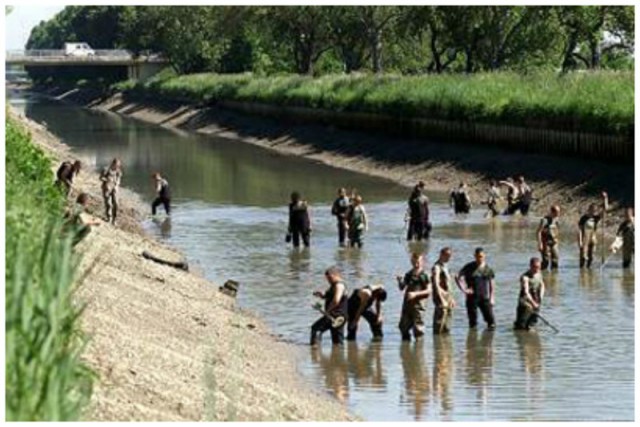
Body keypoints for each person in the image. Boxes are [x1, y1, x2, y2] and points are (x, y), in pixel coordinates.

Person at [456, 247, 496, 330]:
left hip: (484, 297)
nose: (479, 258)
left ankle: (488, 341)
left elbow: (491, 284)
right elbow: (457, 277)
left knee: (491, 322)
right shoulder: (469, 267)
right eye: (477, 256)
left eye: (481, 256)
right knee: (472, 323)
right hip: (472, 297)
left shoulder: (488, 269)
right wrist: (464, 289)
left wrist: (492, 298)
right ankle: (472, 341)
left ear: (484, 256)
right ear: (474, 256)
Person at [396, 252, 432, 341]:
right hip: (407, 306)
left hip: (418, 306)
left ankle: (418, 351)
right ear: (411, 261)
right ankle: (406, 351)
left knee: (418, 330)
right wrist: (400, 281)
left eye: (418, 262)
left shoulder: (424, 275)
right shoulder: (409, 274)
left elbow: (429, 291)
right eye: (414, 262)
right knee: (403, 328)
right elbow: (402, 287)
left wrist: (415, 294)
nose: (416, 264)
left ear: (422, 261)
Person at [310, 267, 348, 346]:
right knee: (337, 340)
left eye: (330, 278)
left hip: (336, 315)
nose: (329, 281)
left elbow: (336, 300)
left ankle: (314, 351)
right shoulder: (334, 285)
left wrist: (327, 311)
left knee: (316, 329)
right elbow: (331, 297)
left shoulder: (339, 285)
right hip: (337, 315)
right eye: (327, 279)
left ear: (336, 275)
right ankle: (337, 356)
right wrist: (322, 295)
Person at [577, 192, 609, 268]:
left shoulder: (596, 218)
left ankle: (588, 270)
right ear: (589, 209)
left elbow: (605, 209)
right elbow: (580, 230)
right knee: (583, 258)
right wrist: (580, 241)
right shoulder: (583, 218)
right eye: (592, 210)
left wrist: (605, 198)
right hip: (585, 239)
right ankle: (582, 274)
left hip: (593, 238)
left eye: (595, 210)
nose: (593, 212)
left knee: (591, 257)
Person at [513, 257, 546, 331]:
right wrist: (533, 303)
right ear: (530, 266)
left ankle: (531, 338)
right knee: (521, 324)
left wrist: (540, 297)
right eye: (535, 267)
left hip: (536, 298)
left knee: (533, 321)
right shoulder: (525, 277)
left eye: (538, 267)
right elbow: (526, 292)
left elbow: (542, 286)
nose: (537, 269)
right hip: (525, 301)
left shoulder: (539, 274)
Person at [432, 247, 456, 335]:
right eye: (447, 256)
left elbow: (449, 286)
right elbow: (436, 283)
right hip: (441, 299)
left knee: (447, 325)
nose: (449, 258)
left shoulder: (445, 266)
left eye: (450, 256)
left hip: (448, 298)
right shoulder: (437, 267)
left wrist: (451, 298)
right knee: (439, 323)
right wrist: (441, 299)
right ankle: (438, 346)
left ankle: (446, 347)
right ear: (441, 255)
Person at [537, 205, 561, 270]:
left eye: (559, 212)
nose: (558, 214)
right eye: (557, 212)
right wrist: (540, 244)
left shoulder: (556, 219)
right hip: (545, 242)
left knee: (555, 260)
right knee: (546, 261)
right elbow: (539, 232)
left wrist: (557, 239)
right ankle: (541, 273)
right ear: (552, 212)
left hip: (554, 242)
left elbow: (557, 229)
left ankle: (554, 277)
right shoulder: (544, 220)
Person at [100, 158, 122, 224]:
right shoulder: (106, 169)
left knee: (116, 204)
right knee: (108, 204)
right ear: (113, 163)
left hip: (114, 189)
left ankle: (114, 219)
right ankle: (109, 217)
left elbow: (119, 179)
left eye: (118, 166)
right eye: (116, 165)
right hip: (106, 188)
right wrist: (107, 180)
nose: (117, 167)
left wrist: (116, 184)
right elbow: (101, 178)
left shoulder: (118, 171)